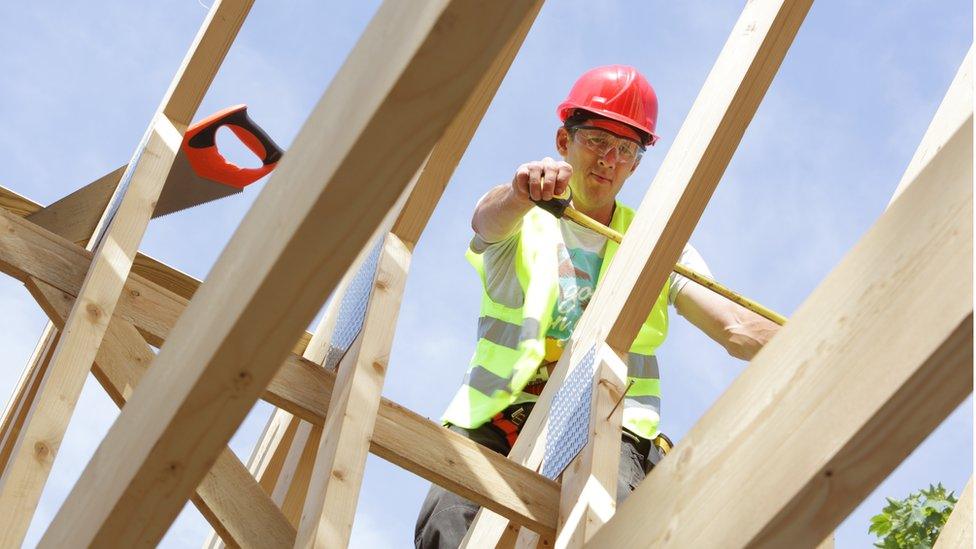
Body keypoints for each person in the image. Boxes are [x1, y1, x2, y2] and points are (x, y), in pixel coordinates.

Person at [415, 65, 780, 549]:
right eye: (596, 140)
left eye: (625, 149)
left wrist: (832, 336)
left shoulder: (658, 242)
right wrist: (521, 190)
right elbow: (487, 218)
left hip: (608, 426)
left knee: (618, 532)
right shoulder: (524, 216)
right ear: (564, 142)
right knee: (448, 524)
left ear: (635, 165)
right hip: (500, 418)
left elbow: (735, 327)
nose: (609, 159)